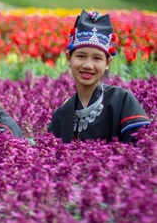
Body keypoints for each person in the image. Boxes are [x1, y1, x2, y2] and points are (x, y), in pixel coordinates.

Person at [49, 10, 150, 143]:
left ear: (107, 63)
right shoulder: (61, 115)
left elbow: (143, 151)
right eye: (81, 56)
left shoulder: (122, 100)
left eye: (97, 58)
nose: (88, 65)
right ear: (68, 58)